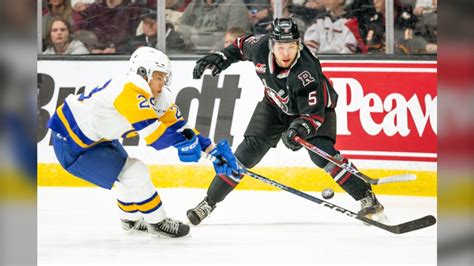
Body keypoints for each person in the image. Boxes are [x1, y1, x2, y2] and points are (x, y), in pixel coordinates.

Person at [187, 17, 386, 225]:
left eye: (291, 47)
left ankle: (367, 199)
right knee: (246, 153)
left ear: (298, 45)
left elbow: (313, 115)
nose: (286, 53)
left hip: (315, 111)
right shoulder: (260, 47)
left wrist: (299, 128)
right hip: (274, 105)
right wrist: (222, 57)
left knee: (322, 153)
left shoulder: (306, 71)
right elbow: (239, 45)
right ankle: (208, 203)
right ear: (272, 44)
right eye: (281, 47)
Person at [46, 47, 240, 238]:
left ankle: (129, 221)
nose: (162, 84)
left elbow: (180, 127)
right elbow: (154, 136)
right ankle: (158, 222)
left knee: (126, 175)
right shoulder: (130, 88)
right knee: (135, 172)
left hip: (97, 139)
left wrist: (212, 151)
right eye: (158, 77)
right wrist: (186, 143)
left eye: (164, 78)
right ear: (142, 73)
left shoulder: (155, 96)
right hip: (70, 143)